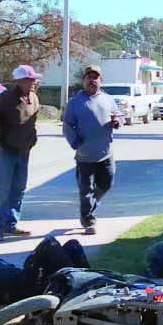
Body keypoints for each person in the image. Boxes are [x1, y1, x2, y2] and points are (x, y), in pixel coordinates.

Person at [0, 64, 41, 240]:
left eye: (34, 79)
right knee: (3, 190)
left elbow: (33, 120)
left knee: (19, 189)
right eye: (30, 79)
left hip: (24, 151)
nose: (34, 82)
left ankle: (11, 225)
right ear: (20, 81)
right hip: (6, 150)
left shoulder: (34, 98)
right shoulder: (5, 98)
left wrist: (32, 139)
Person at [63, 65, 120, 235]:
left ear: (100, 81)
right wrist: (75, 141)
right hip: (84, 155)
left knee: (106, 184)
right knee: (85, 190)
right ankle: (88, 219)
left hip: (106, 153)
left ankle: (90, 206)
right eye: (89, 77)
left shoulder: (108, 99)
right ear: (83, 81)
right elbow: (67, 125)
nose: (92, 80)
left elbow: (118, 116)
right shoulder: (75, 102)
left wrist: (117, 121)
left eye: (96, 77)